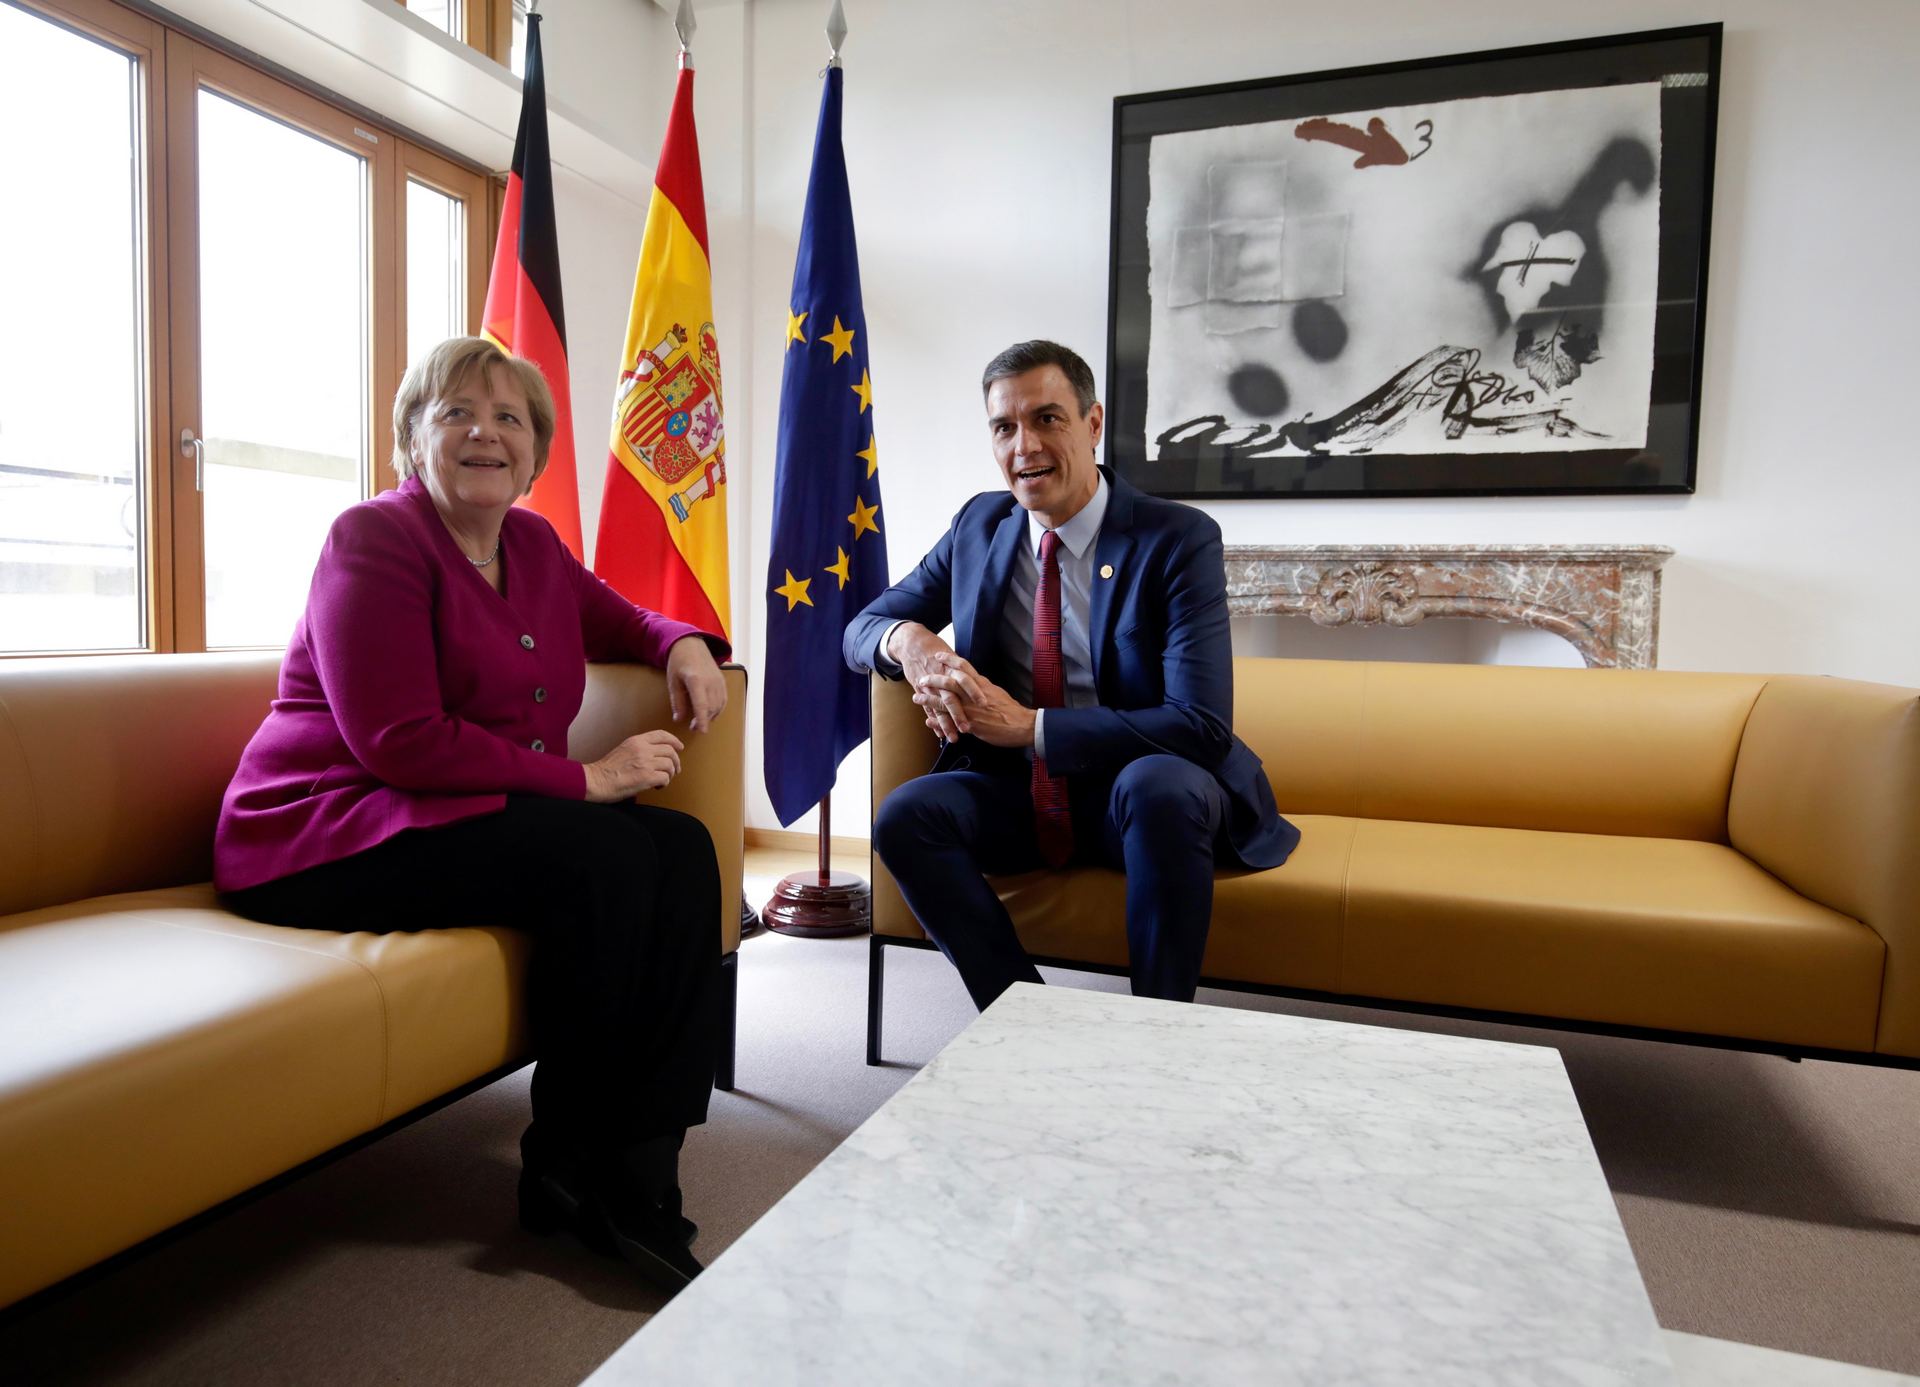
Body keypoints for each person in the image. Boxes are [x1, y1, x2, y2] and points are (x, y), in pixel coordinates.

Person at [215, 336, 728, 1296]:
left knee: (685, 850)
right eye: (455, 413)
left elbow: (622, 618)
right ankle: (564, 1164)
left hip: (452, 811)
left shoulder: (531, 543)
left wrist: (684, 641)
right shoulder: (370, 539)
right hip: (323, 829)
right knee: (605, 857)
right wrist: (591, 779)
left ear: (534, 451)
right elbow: (399, 742)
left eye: (509, 419)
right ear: (414, 437)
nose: (484, 434)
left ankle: (644, 1165)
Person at [845, 340, 1299, 1011]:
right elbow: (860, 629)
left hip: (1136, 794)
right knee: (907, 815)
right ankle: (1028, 1017)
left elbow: (1200, 727)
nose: (1024, 445)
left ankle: (1158, 1024)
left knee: (1160, 786)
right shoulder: (981, 525)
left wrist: (1031, 727)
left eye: (1047, 419)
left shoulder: (1176, 539)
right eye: (1005, 427)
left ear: (1092, 424)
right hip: (1021, 793)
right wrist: (910, 641)